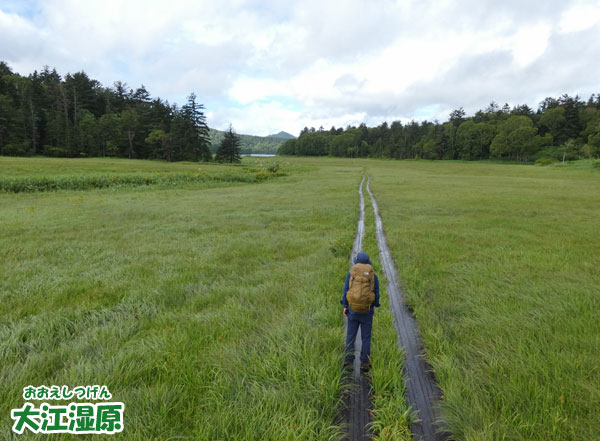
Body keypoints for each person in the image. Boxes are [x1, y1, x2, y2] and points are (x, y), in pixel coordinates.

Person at [341, 251, 380, 372]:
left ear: (356, 262)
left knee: (350, 336)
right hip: (366, 312)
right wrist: (373, 307)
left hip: (352, 310)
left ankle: (348, 360)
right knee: (366, 337)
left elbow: (346, 290)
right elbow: (376, 293)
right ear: (368, 263)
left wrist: (345, 306)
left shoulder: (351, 274)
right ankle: (365, 362)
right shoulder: (373, 276)